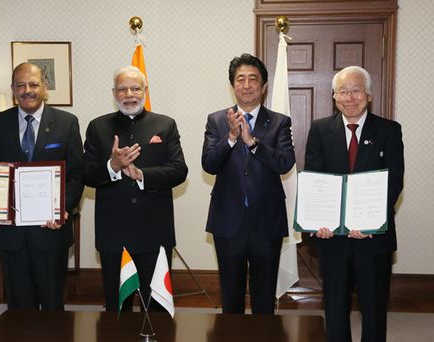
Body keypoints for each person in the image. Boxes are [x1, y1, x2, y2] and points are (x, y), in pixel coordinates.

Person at [304, 66, 404, 341]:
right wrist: (317, 221)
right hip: (333, 239)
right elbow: (315, 177)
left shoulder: (389, 131)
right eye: (343, 91)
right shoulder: (321, 129)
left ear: (369, 95)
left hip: (372, 238)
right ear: (334, 96)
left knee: (373, 310)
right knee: (335, 309)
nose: (350, 97)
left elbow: (394, 182)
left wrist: (372, 221)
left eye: (356, 90)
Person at [83, 65, 188, 312]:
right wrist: (113, 166)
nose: (129, 94)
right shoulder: (97, 127)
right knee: (117, 311)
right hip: (113, 234)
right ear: (114, 93)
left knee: (158, 310)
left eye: (135, 88)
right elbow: (86, 174)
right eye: (122, 89)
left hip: (155, 232)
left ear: (145, 91)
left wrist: (141, 174)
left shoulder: (165, 125)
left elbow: (179, 170)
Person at [0, 62, 84, 310]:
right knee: (18, 309)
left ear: (44, 88)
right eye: (21, 85)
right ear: (13, 90)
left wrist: (62, 209)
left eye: (33, 84)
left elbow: (76, 175)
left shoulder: (66, 122)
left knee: (52, 307)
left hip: (50, 232)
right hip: (11, 236)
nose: (27, 90)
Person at [201, 53, 296, 314]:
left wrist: (253, 143)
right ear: (232, 86)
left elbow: (285, 163)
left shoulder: (279, 122)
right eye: (240, 79)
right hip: (228, 221)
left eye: (253, 79)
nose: (246, 85)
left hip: (267, 220)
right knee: (230, 298)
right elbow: (209, 164)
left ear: (263, 86)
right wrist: (231, 138)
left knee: (263, 299)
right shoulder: (217, 120)